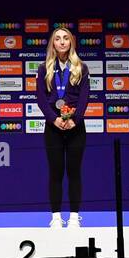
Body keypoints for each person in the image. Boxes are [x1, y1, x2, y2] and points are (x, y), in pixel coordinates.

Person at [37, 26, 87, 228]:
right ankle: (56, 217)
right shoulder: (44, 68)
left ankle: (74, 218)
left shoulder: (81, 68)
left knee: (74, 172)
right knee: (55, 172)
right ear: (53, 43)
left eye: (66, 38)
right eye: (58, 38)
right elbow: (40, 98)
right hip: (53, 127)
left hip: (76, 127)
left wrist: (75, 119)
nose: (62, 41)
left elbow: (84, 97)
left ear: (71, 42)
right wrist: (53, 119)